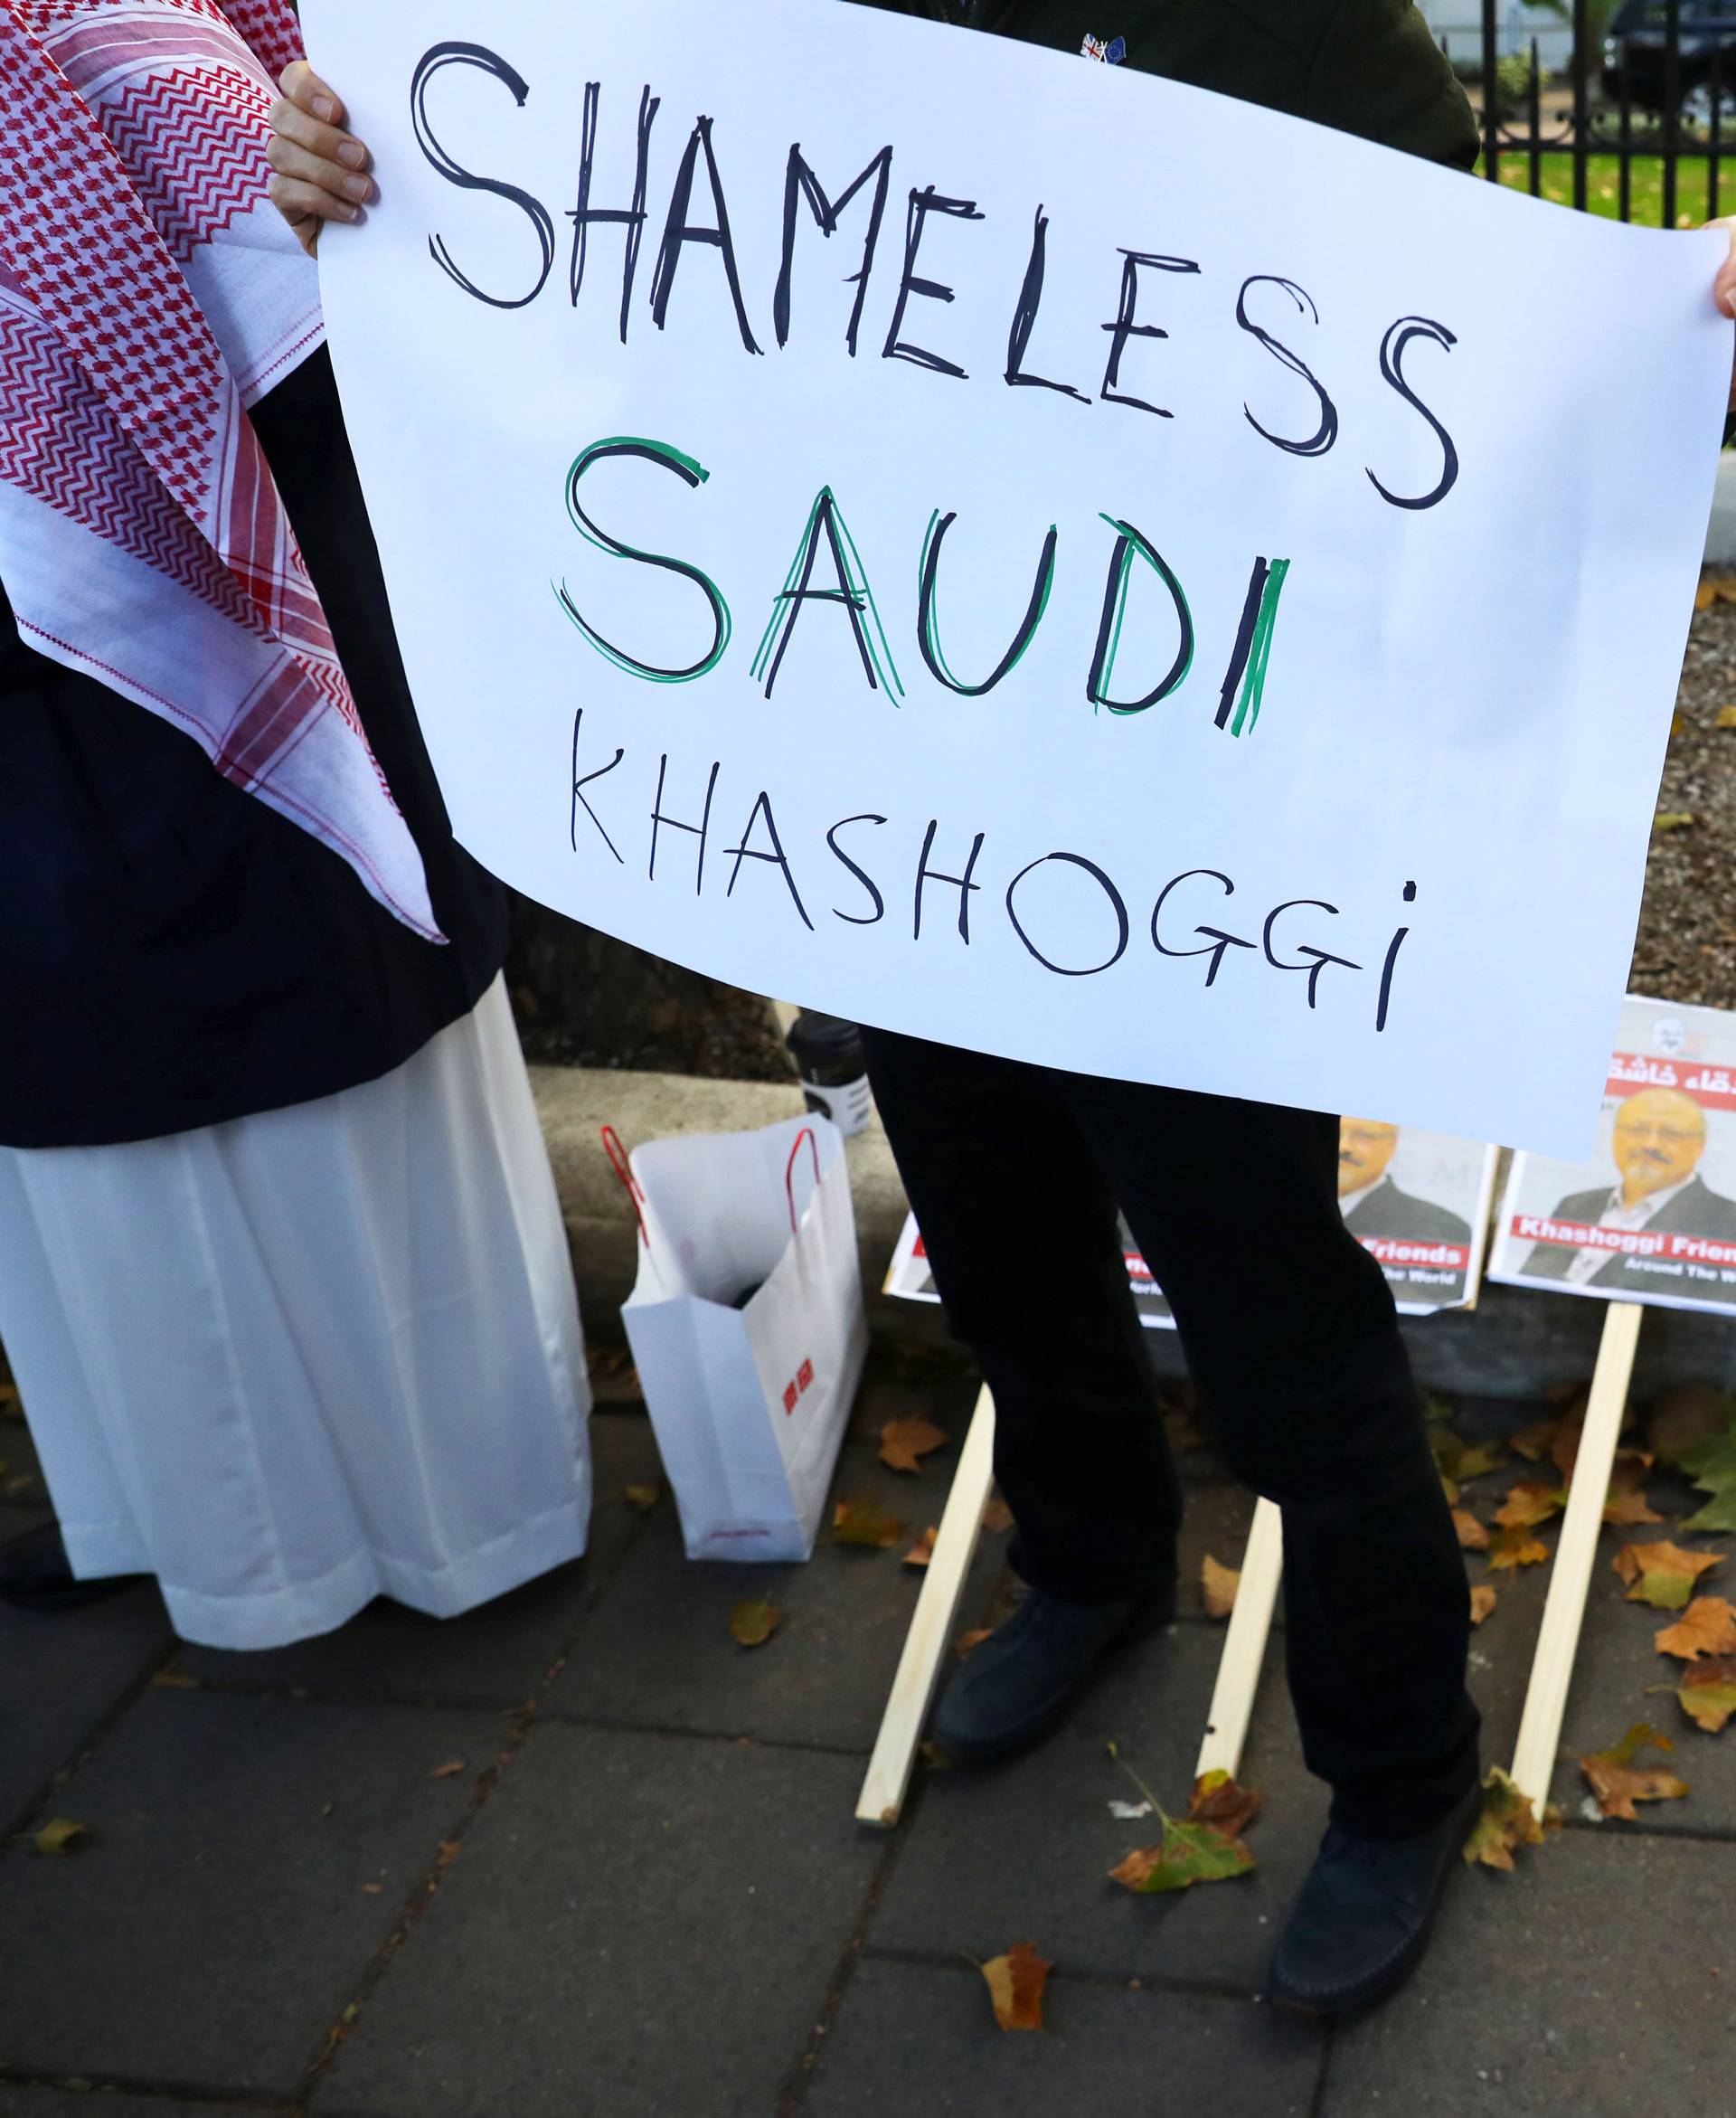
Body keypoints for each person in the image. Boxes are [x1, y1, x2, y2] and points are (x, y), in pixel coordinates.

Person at [265, 0, 1735, 2024]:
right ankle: (1092, 1564)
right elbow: (607, 229)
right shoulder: (816, 24)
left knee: (1272, 1315)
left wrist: (1665, 320)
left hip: (1188, 831)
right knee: (1002, 1235)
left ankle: (1402, 1765)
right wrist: (368, 174)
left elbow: (1475, 350)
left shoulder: (1304, 28)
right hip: (913, 784)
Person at [0, 0, 592, 1650]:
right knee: (79, 1136)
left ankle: (466, 1529)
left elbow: (275, 153)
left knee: (334, 1074)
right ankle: (174, 1525)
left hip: (235, 595)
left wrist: (281, 163)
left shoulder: (98, 40)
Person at [1520, 1087, 1736, 1293]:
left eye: (1671, 1134)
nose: (1650, 1144)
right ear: (1615, 1137)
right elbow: (1530, 1284)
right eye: (1637, 1130)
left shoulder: (1728, 1222)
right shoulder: (1576, 1205)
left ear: (1700, 1145)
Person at [1338, 1120, 1474, 1246]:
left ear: (1392, 1145)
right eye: (1334, 1133)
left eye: (1363, 1136)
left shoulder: (1442, 1228)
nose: (1343, 1147)